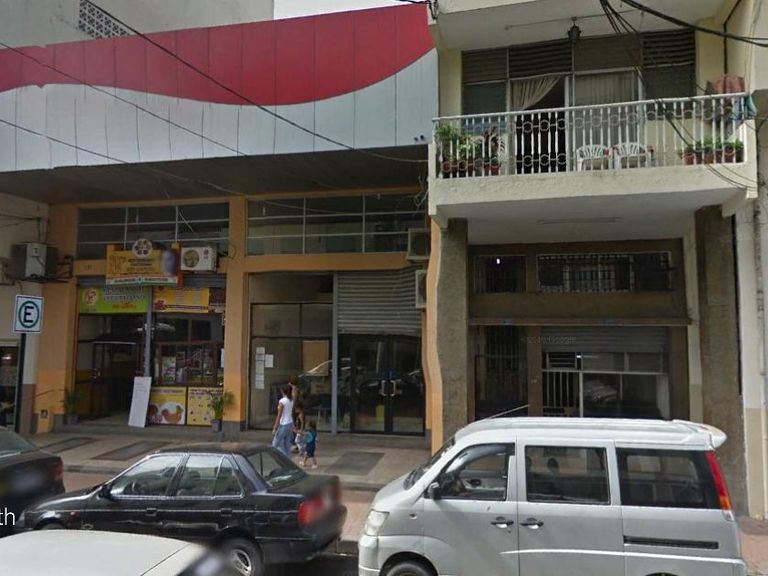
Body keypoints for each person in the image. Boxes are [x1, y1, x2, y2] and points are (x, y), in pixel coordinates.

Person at [271, 385, 294, 457]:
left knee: (275, 444)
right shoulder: (291, 400)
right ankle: (287, 460)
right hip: (290, 423)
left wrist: (275, 427)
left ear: (282, 391)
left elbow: (279, 415)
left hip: (284, 424)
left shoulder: (282, 401)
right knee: (287, 445)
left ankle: (279, 457)